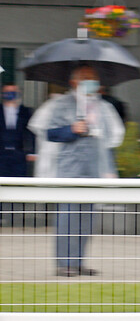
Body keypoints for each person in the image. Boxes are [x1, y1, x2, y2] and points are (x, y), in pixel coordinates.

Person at [46, 65, 125, 277]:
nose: (92, 81)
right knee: (68, 216)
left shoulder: (102, 107)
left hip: (94, 168)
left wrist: (108, 169)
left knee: (87, 217)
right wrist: (71, 129)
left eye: (94, 78)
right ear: (74, 82)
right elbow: (50, 133)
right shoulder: (62, 104)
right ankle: (64, 263)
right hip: (70, 169)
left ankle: (79, 261)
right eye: (87, 78)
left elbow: (108, 140)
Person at [27, 84, 67, 178]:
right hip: (54, 151)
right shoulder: (55, 105)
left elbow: (35, 126)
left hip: (47, 150)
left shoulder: (47, 106)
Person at [1, 83, 35, 177]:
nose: (10, 94)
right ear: (2, 94)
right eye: (7, 92)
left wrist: (32, 152)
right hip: (1, 153)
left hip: (19, 154)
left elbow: (31, 132)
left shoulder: (26, 111)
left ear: (19, 93)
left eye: (13, 92)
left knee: (19, 181)